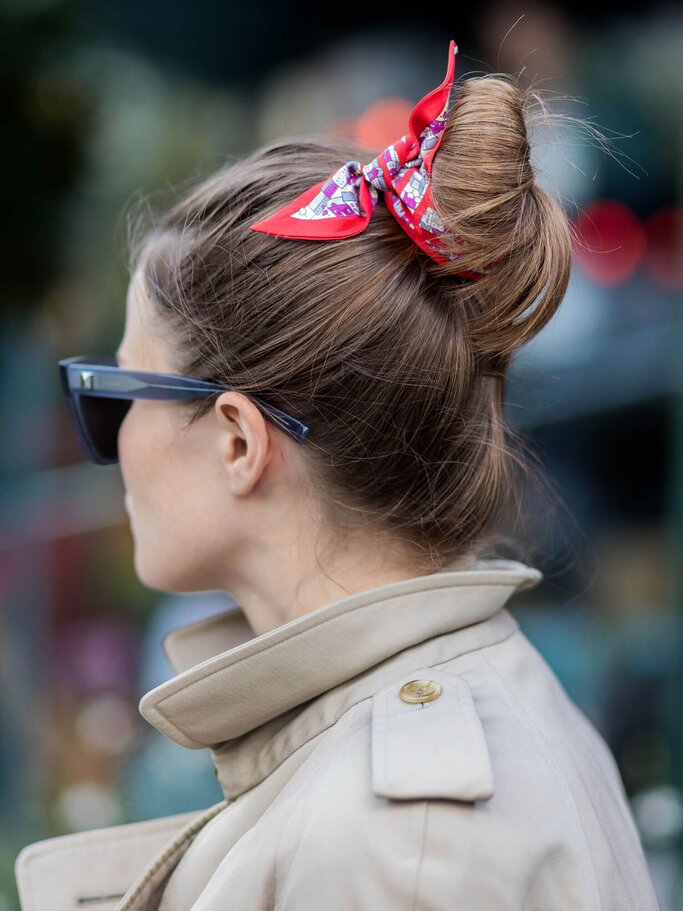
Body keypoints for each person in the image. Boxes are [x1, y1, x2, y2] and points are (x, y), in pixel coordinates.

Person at [17, 40, 660, 911]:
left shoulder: (400, 841)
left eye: (114, 395)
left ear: (238, 442)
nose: (112, 441)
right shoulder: (428, 752)